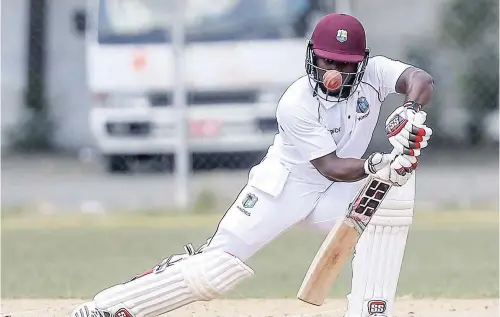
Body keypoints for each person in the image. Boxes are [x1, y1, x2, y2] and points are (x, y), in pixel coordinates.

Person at [70, 13, 434, 317]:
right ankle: (109, 306)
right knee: (214, 272)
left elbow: (420, 79)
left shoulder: (375, 73)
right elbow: (330, 165)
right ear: (312, 57)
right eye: (327, 61)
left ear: (363, 62)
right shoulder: (295, 103)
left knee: (388, 205)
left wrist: (410, 111)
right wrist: (377, 164)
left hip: (334, 195)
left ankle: (371, 310)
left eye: (345, 64)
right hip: (285, 187)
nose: (334, 72)